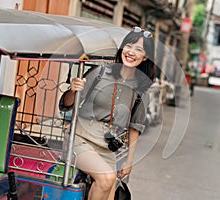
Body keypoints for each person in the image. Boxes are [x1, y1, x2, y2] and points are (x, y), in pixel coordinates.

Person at [59, 27, 155, 200]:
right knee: (106, 178)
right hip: (80, 139)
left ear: (145, 56)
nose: (131, 52)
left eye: (138, 49)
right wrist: (73, 91)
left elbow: (135, 128)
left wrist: (129, 161)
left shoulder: (141, 89)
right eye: (129, 46)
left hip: (108, 149)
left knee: (111, 189)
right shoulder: (100, 72)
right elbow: (66, 106)